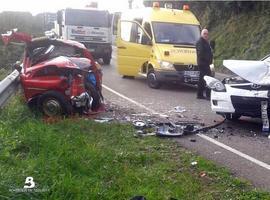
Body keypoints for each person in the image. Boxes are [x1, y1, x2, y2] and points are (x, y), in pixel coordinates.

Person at [196, 28, 213, 99]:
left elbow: (208, 52)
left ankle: (199, 95)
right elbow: (201, 53)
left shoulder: (206, 42)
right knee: (208, 79)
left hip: (205, 63)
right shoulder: (200, 42)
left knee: (202, 79)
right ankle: (208, 95)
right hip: (203, 63)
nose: (206, 35)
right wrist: (207, 59)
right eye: (204, 34)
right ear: (201, 34)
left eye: (207, 34)